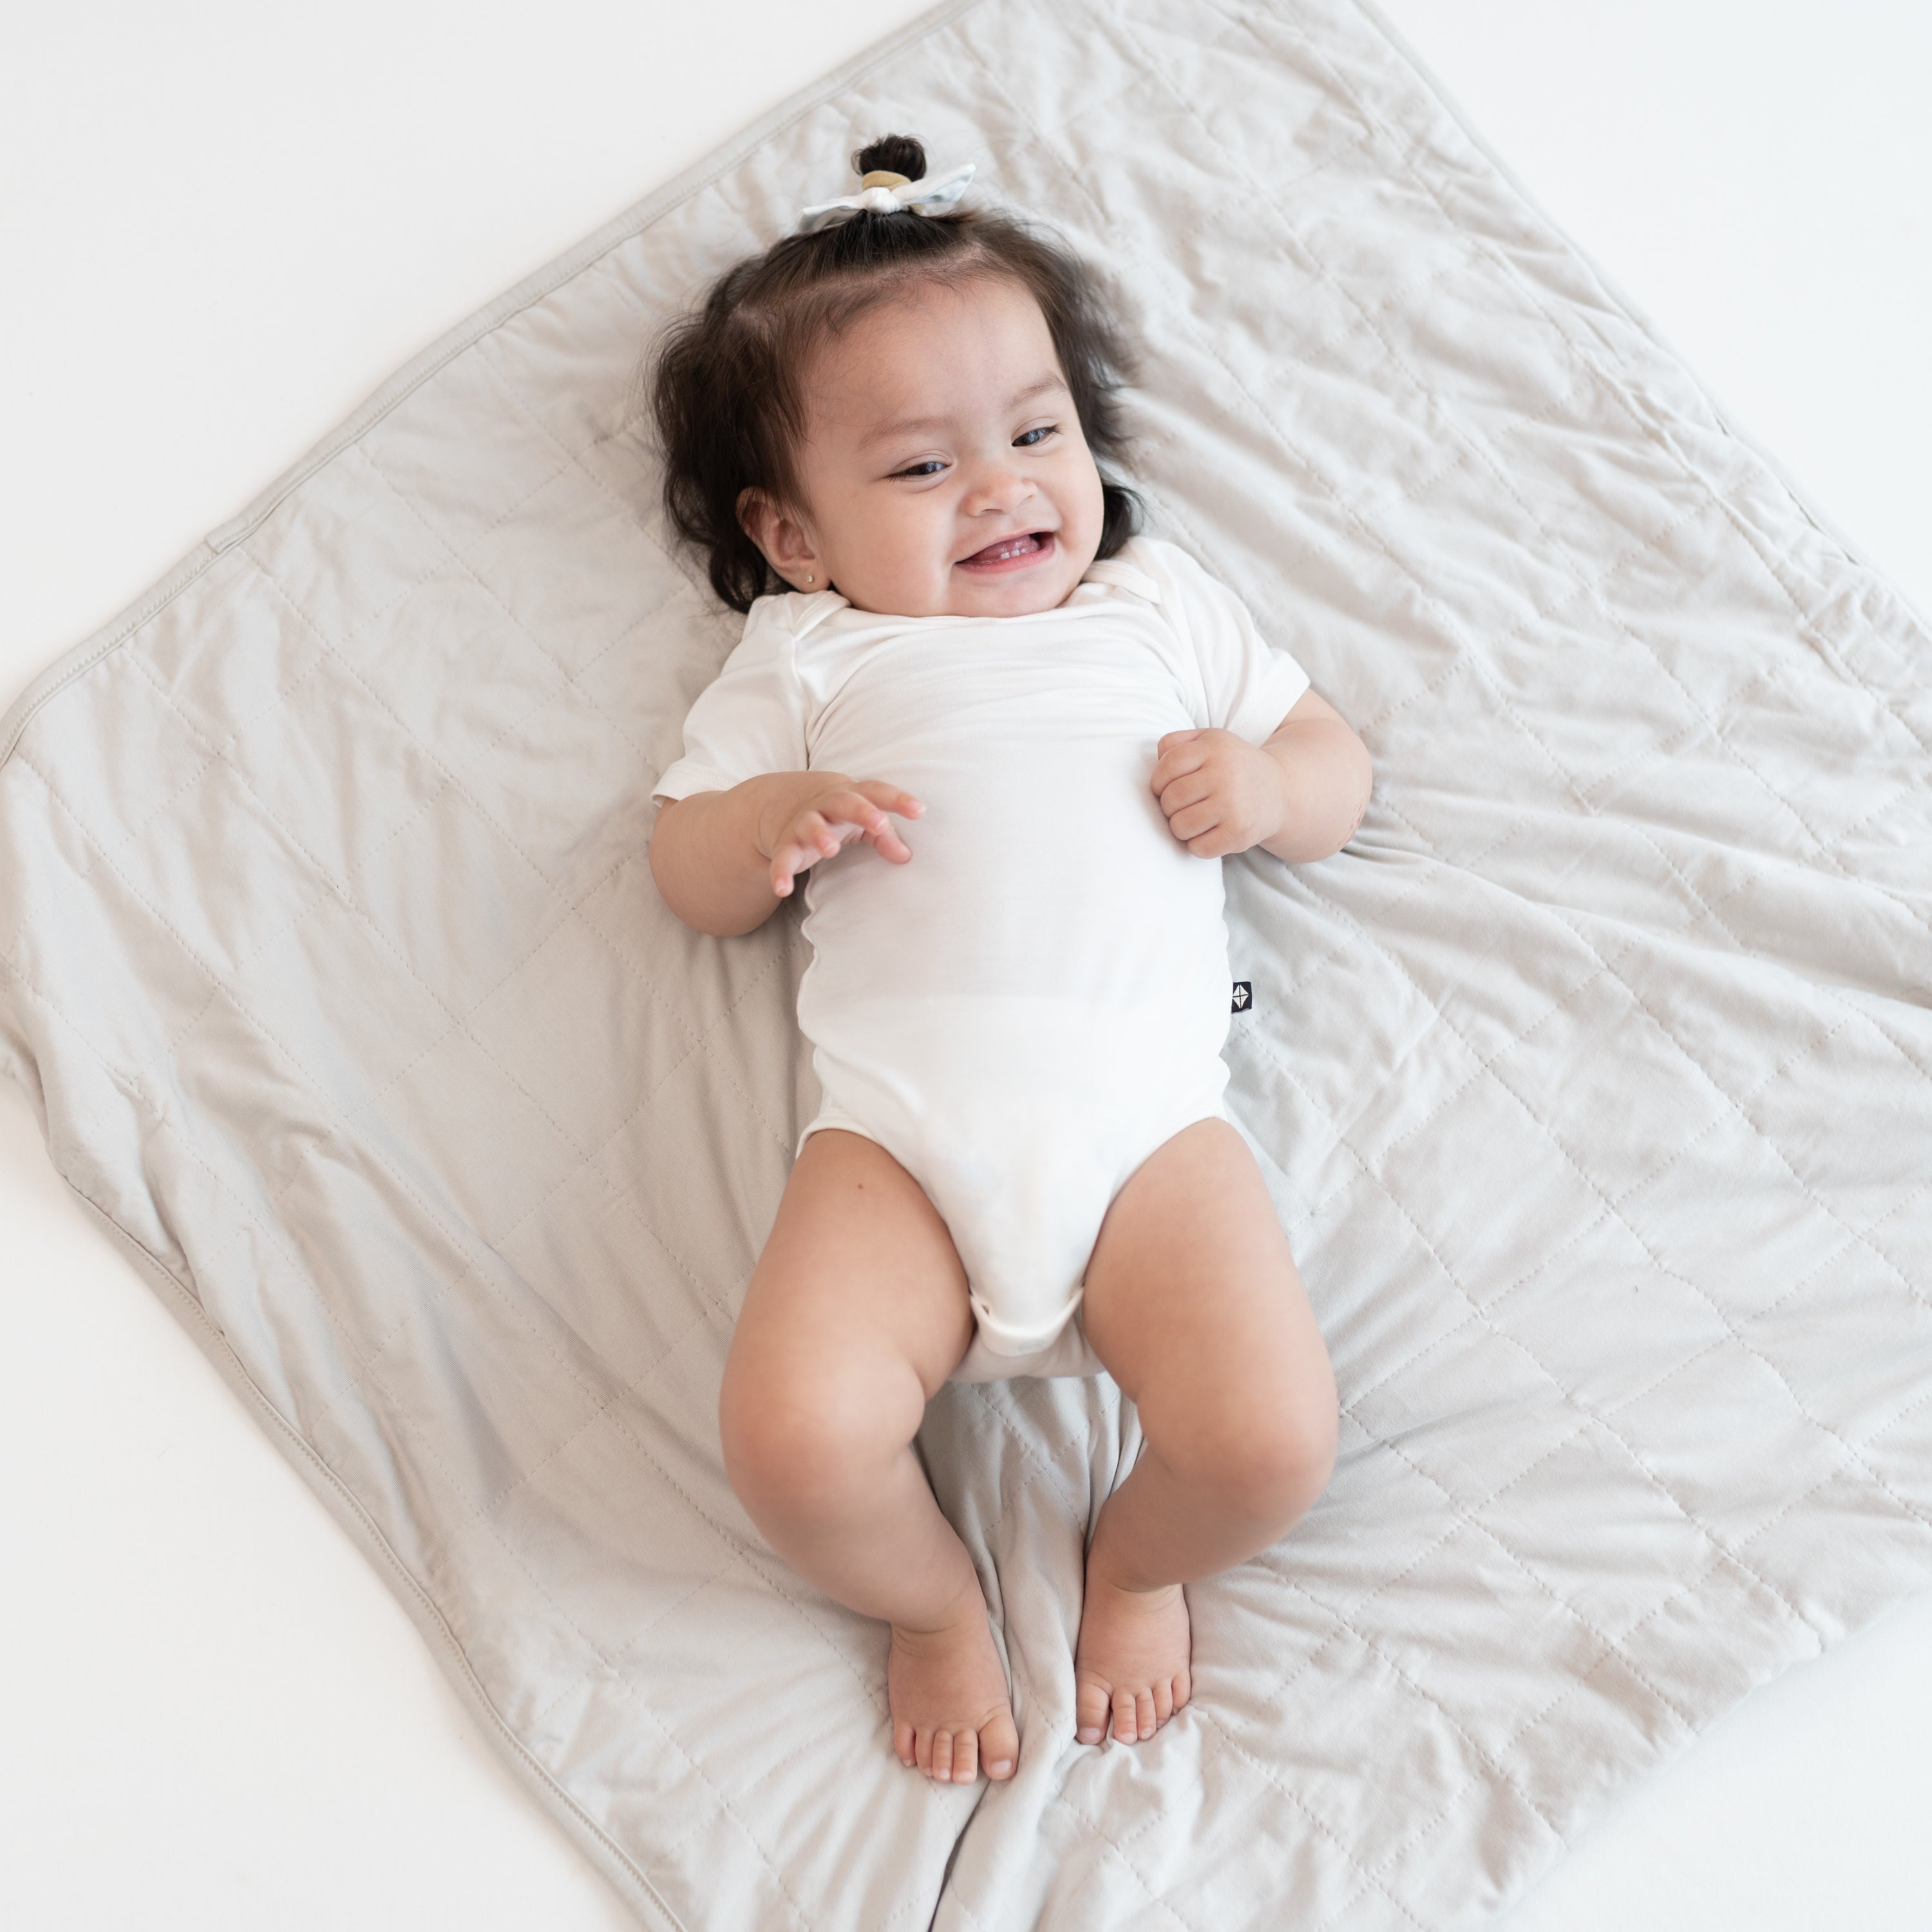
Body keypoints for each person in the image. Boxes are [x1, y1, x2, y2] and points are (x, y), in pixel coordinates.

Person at [647, 135, 1370, 1788]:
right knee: (791, 1439)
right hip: (897, 1147)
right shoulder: (811, 654)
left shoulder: (1159, 609)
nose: (1005, 488)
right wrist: (767, 819)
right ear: (796, 533)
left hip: (1149, 1143)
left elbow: (1330, 762)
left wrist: (1267, 789)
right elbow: (686, 865)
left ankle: (1138, 1557)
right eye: (918, 471)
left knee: (1268, 1442)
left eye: (1039, 433)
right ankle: (927, 1600)